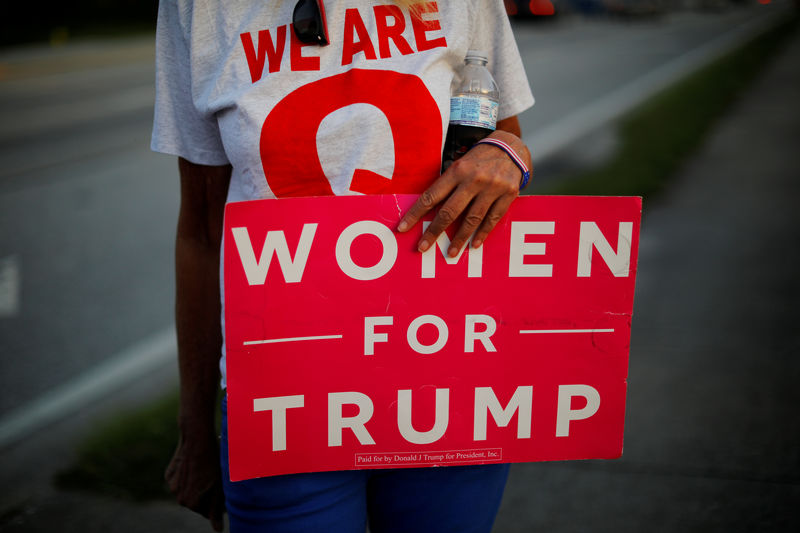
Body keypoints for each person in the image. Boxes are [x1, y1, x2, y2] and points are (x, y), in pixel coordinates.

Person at [152, 1, 534, 531]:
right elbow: (201, 233)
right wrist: (195, 428)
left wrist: (509, 155)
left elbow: (504, 143)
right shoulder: (199, 8)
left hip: (446, 372)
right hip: (285, 398)